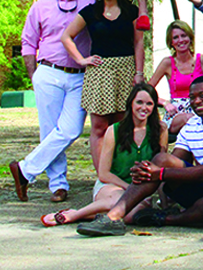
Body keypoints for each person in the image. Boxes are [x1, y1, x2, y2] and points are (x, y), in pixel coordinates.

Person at [76, 76, 203, 236]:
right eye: (192, 97)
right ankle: (113, 217)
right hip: (202, 186)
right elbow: (171, 162)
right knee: (161, 159)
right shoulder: (191, 125)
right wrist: (150, 171)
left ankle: (167, 219)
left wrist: (160, 174)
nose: (197, 101)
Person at [8, 0, 95, 203]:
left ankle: (25, 169)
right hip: (48, 72)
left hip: (80, 75)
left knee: (71, 130)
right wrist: (33, 76)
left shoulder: (90, 1)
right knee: (49, 131)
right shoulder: (40, 6)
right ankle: (58, 186)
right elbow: (28, 42)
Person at [40, 83, 168, 226]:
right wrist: (130, 189)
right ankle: (75, 215)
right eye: (139, 102)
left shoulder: (161, 130)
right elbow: (104, 174)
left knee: (133, 215)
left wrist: (163, 202)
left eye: (149, 104)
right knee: (119, 201)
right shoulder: (114, 130)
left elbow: (162, 169)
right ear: (131, 103)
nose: (144, 108)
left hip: (142, 191)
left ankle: (89, 216)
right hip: (112, 184)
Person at [61, 0, 144, 172]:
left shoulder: (130, 11)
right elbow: (66, 36)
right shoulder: (91, 12)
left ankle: (123, 172)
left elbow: (138, 43)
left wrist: (139, 73)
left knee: (123, 126)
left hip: (125, 71)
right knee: (99, 127)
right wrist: (81, 60)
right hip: (100, 73)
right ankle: (102, 176)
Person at [148, 20, 203, 136]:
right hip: (177, 111)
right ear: (171, 42)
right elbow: (147, 89)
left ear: (190, 38)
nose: (181, 40)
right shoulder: (167, 63)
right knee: (190, 119)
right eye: (176, 37)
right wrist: (164, 102)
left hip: (201, 105)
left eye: (184, 36)